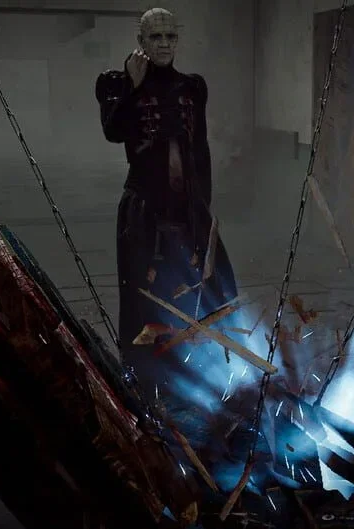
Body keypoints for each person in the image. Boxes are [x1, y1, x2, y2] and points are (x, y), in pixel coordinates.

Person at [95, 8, 238, 398]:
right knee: (141, 294)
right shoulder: (115, 83)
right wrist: (134, 85)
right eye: (155, 37)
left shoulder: (191, 87)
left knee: (215, 283)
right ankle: (142, 378)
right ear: (141, 41)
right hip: (143, 207)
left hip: (188, 206)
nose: (163, 44)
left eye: (170, 37)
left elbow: (200, 148)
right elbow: (113, 131)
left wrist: (204, 206)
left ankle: (208, 368)